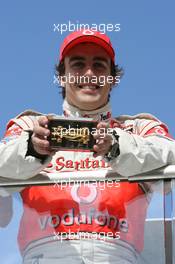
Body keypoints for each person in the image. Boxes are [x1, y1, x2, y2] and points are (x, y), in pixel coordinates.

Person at [0, 29, 175, 264]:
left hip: (119, 257)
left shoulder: (139, 128)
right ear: (62, 76)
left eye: (100, 66)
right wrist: (33, 148)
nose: (90, 73)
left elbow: (170, 153)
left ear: (112, 78)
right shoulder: (31, 126)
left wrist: (115, 146)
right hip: (44, 257)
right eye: (78, 64)